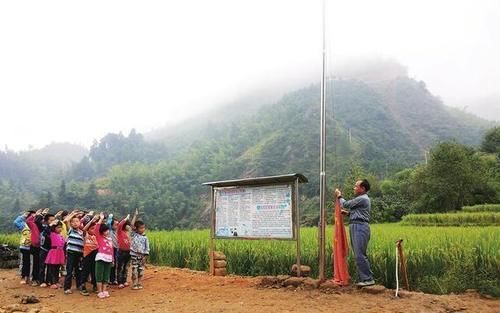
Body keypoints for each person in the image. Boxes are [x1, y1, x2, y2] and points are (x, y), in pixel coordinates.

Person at [335, 179, 375, 287]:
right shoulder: (361, 199)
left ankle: (368, 279)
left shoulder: (362, 198)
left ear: (362, 188)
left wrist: (339, 196)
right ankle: (364, 278)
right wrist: (348, 214)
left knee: (360, 255)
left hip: (360, 227)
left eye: (356, 186)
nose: (354, 188)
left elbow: (346, 204)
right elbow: (358, 213)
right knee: (358, 254)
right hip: (356, 226)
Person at [63, 210, 85, 294]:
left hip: (79, 253)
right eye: (73, 222)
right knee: (69, 270)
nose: (75, 223)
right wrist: (72, 214)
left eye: (77, 221)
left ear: (80, 223)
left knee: (78, 270)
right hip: (71, 253)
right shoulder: (71, 230)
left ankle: (79, 285)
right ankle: (67, 288)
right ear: (71, 224)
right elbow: (65, 221)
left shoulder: (81, 232)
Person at [94, 213, 114, 299]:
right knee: (99, 275)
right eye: (105, 231)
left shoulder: (109, 239)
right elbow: (96, 229)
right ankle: (99, 291)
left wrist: (113, 259)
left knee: (106, 275)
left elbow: (112, 250)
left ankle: (105, 290)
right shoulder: (99, 237)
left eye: (107, 230)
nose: (107, 232)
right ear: (102, 232)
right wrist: (101, 219)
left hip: (109, 258)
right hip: (101, 257)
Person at [116, 210, 137, 288]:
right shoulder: (120, 231)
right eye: (127, 225)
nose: (129, 226)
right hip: (121, 251)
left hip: (129, 252)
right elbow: (120, 225)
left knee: (126, 267)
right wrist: (126, 218)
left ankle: (124, 280)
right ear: (125, 225)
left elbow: (132, 224)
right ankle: (119, 282)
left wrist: (135, 215)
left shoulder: (129, 232)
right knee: (120, 267)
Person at [80, 214, 99, 296]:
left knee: (94, 270)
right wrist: (92, 220)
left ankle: (95, 285)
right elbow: (84, 229)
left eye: (94, 228)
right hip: (87, 254)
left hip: (95, 253)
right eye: (92, 228)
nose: (94, 230)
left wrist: (98, 220)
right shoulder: (85, 234)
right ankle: (83, 286)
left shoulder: (96, 235)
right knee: (86, 270)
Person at [13, 211, 34, 285]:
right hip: (25, 247)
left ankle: (29, 277)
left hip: (33, 246)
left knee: (32, 263)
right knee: (25, 262)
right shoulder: (23, 225)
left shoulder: (35, 225)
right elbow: (16, 222)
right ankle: (23, 277)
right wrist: (23, 216)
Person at [44, 220, 66, 289]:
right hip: (53, 252)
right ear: (54, 228)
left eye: (60, 227)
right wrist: (51, 224)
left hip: (60, 252)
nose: (59, 229)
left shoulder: (61, 236)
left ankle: (56, 281)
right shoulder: (52, 234)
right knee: (52, 269)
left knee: (57, 268)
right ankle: (52, 282)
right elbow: (46, 230)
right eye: (58, 227)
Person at [130, 216, 150, 290]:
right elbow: (132, 226)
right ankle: (134, 284)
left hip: (141, 256)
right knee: (134, 270)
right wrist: (135, 216)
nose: (143, 229)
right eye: (141, 228)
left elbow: (147, 247)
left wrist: (145, 256)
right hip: (134, 255)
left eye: (143, 228)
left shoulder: (145, 237)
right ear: (136, 228)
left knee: (141, 270)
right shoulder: (134, 234)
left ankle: (139, 283)